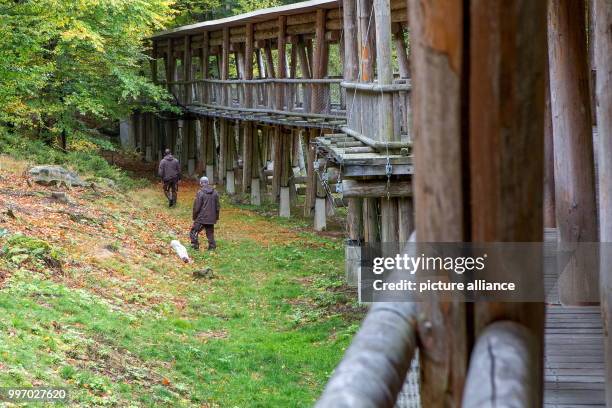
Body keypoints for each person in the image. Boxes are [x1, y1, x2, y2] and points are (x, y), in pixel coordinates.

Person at [190, 176, 220, 250]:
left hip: (201, 218)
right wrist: (216, 217)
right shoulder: (215, 192)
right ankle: (212, 247)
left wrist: (194, 217)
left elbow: (196, 207)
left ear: (200, 183)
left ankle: (195, 246)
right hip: (211, 218)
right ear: (208, 183)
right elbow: (218, 207)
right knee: (210, 233)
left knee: (194, 231)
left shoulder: (200, 192)